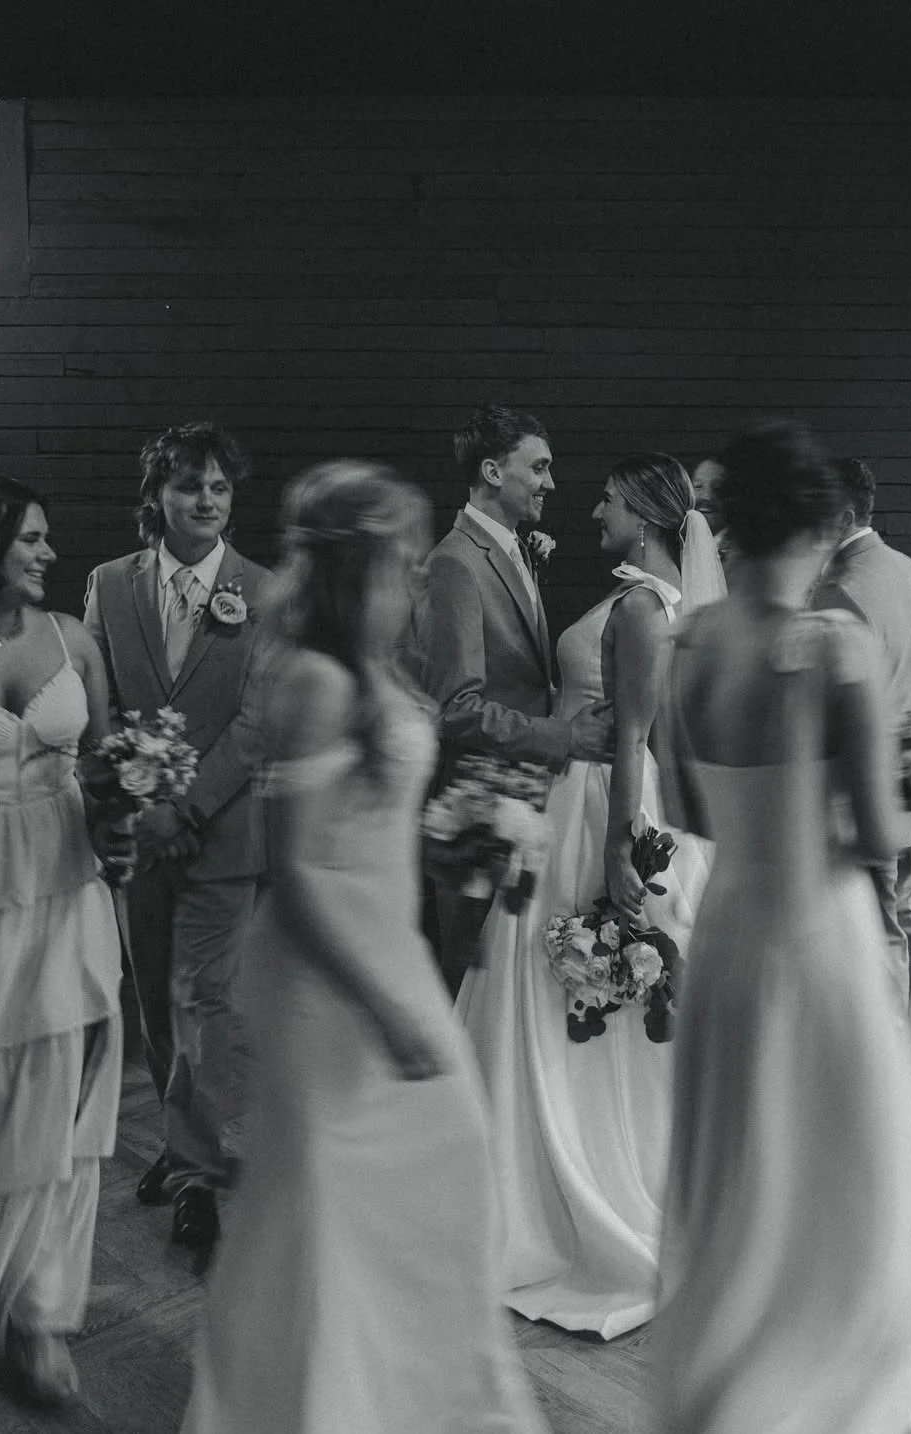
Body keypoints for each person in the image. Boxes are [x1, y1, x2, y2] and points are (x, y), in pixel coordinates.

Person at [179, 462, 548, 1434]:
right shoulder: (308, 678)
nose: (418, 581)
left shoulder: (375, 672)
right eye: (403, 562)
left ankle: (409, 1397)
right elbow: (296, 875)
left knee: (436, 1170)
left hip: (389, 949)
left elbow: (370, 818)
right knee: (332, 1199)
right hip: (327, 974)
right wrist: (384, 1009)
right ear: (355, 569)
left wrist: (465, 843)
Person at [651, 421, 911, 1434]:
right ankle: (817, 1390)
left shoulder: (690, 641)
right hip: (818, 937)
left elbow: (685, 807)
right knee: (843, 1175)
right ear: (822, 523)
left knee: (743, 1171)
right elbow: (873, 832)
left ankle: (732, 1385)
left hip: (728, 932)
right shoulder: (833, 646)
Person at [456, 453, 725, 1340]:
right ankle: (531, 1176)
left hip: (598, 813)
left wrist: (616, 858)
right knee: (543, 996)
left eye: (608, 499)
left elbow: (635, 741)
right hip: (572, 802)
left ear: (646, 514)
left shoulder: (645, 609)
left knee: (566, 992)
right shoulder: (642, 600)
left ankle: (579, 1189)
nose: (594, 508)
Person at [84, 421, 272, 1271]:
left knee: (205, 1001)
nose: (206, 500)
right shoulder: (108, 584)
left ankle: (196, 1173)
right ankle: (179, 1138)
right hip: (138, 837)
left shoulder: (261, 591)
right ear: (156, 496)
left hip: (222, 834)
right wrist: (128, 795)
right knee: (155, 1000)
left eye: (220, 487)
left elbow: (256, 723)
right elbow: (104, 703)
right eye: (190, 485)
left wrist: (186, 804)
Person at [0, 478, 129, 1406]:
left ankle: (39, 1316)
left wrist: (126, 818)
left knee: (67, 1091)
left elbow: (115, 762)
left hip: (68, 888)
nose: (47, 553)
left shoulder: (73, 641)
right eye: (30, 539)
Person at [416, 404, 615, 996]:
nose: (551, 483)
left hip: (521, 802)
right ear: (494, 472)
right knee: (472, 986)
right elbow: (455, 706)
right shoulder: (455, 563)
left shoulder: (514, 550)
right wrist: (564, 735)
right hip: (476, 812)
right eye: (540, 467)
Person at [811, 458, 911, 1005]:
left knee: (879, 936)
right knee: (909, 916)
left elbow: (830, 714)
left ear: (841, 515)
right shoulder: (908, 570)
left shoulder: (838, 592)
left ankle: (896, 1056)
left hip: (864, 794)